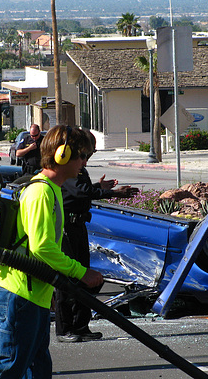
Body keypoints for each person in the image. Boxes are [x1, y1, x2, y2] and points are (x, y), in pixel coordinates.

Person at [0, 125, 103, 379]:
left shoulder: (53, 188)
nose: (84, 163)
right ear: (63, 155)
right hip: (18, 295)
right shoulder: (40, 191)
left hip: (34, 296)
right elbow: (42, 247)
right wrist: (81, 272)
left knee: (38, 369)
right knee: (9, 367)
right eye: (81, 156)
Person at [55, 131, 139, 343]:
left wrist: (98, 188)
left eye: (90, 153)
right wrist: (113, 193)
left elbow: (82, 190)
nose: (87, 157)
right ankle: (65, 329)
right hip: (67, 227)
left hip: (79, 225)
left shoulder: (80, 168)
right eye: (85, 153)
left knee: (84, 277)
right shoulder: (67, 167)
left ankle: (81, 326)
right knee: (69, 280)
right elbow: (78, 191)